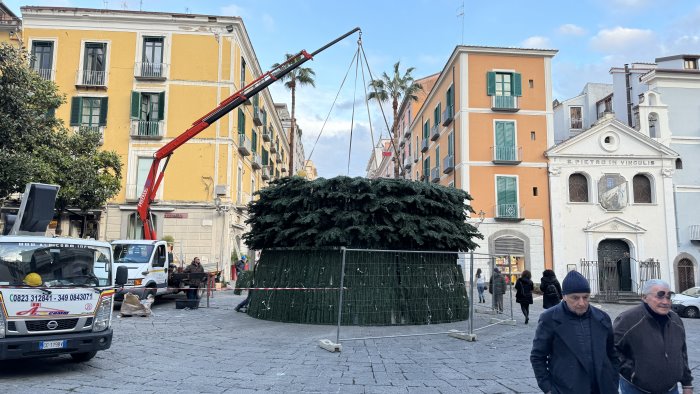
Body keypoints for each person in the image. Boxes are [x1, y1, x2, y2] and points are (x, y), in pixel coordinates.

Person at [530, 270, 619, 394]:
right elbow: (537, 356)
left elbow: (612, 354)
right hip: (567, 389)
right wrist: (548, 388)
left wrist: (613, 380)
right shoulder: (549, 318)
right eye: (575, 298)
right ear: (564, 296)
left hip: (603, 387)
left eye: (585, 297)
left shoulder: (602, 318)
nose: (581, 303)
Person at [613, 279, 693, 394]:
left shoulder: (676, 320)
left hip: (671, 389)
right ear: (644, 297)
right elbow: (611, 349)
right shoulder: (628, 319)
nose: (665, 302)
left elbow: (682, 353)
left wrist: (687, 384)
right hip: (637, 389)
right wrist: (633, 373)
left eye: (668, 297)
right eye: (659, 296)